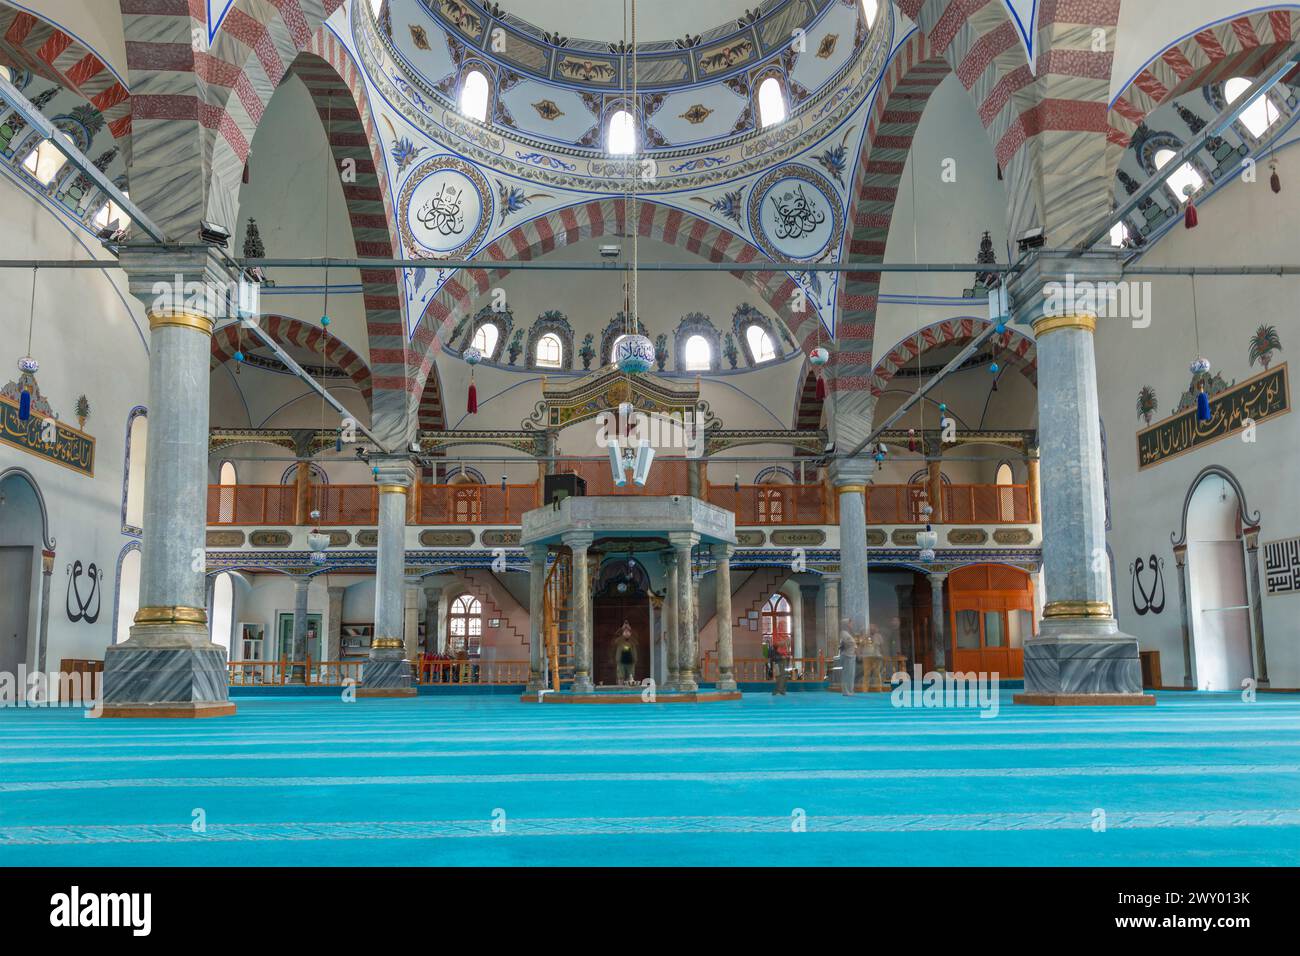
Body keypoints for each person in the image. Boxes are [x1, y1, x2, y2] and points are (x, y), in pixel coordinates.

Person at [613, 620, 637, 685]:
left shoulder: (633, 640)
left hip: (631, 661)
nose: (626, 632)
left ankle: (629, 690)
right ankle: (620, 689)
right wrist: (621, 629)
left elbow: (636, 638)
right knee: (620, 677)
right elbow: (615, 638)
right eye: (625, 631)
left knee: (630, 677)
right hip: (620, 662)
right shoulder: (619, 640)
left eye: (628, 631)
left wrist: (630, 629)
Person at [838, 617, 857, 696]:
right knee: (847, 674)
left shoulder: (849, 633)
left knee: (851, 674)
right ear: (846, 624)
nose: (851, 625)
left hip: (851, 655)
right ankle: (846, 691)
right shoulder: (843, 633)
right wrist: (854, 644)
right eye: (850, 623)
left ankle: (850, 690)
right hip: (847, 655)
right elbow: (845, 643)